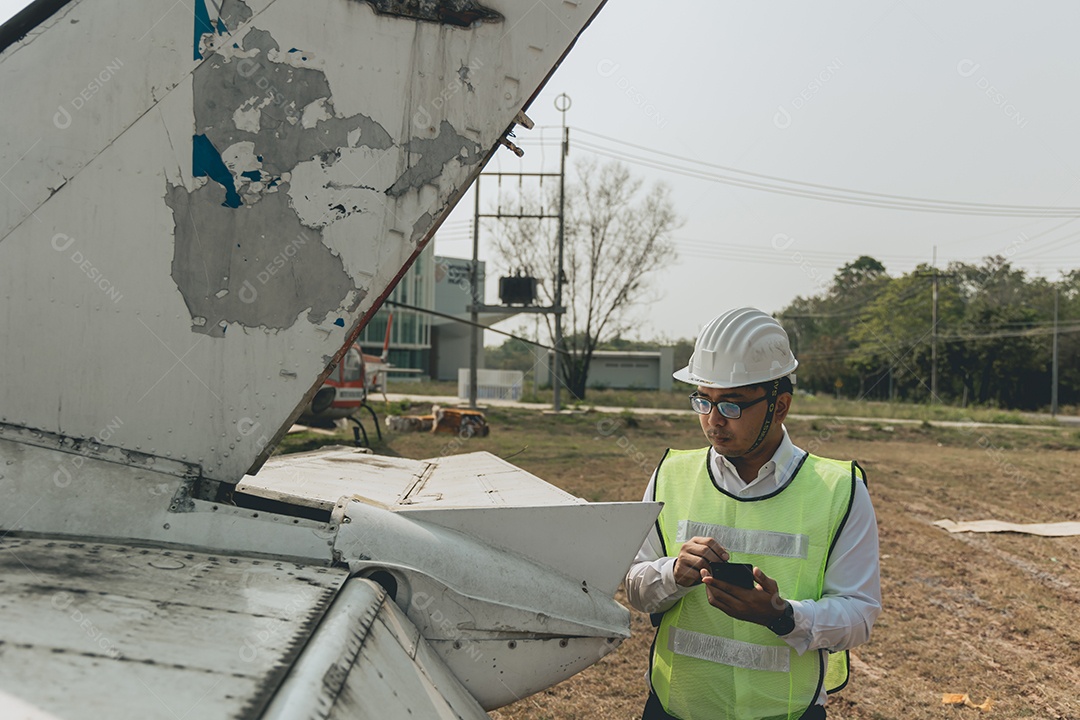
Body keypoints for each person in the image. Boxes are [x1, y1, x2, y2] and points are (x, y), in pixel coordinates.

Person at [625, 307, 881, 720]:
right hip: (675, 710)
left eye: (731, 406)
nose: (712, 422)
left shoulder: (839, 490)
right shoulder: (671, 473)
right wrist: (673, 572)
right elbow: (634, 586)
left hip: (785, 713)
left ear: (780, 406)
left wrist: (782, 616)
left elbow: (859, 615)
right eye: (703, 402)